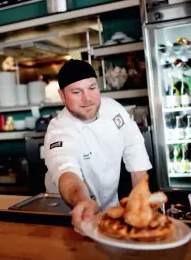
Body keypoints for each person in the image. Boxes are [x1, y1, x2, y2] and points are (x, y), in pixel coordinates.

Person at [44, 59, 152, 231]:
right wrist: (82, 201)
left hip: (111, 210)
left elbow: (134, 148)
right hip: (72, 215)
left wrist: (140, 198)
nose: (87, 98)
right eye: (77, 92)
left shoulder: (113, 110)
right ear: (62, 96)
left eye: (92, 88)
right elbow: (66, 173)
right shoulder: (59, 130)